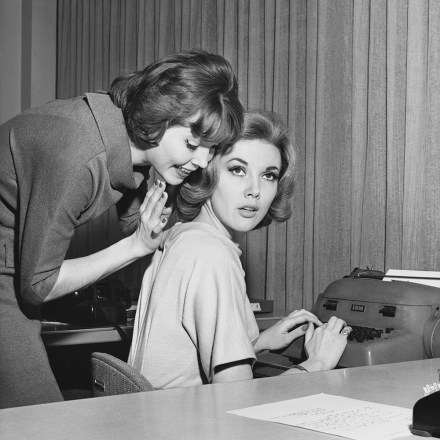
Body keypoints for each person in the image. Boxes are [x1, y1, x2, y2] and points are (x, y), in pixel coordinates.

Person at [0, 48, 244, 408]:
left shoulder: (127, 138)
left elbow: (137, 224)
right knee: (39, 420)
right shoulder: (79, 154)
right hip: (18, 277)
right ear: (156, 117)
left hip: (15, 264)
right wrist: (134, 248)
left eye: (212, 149)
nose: (202, 161)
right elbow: (39, 285)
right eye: (193, 144)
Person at [128, 110, 348, 389]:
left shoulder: (182, 236)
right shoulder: (211, 254)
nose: (254, 190)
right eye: (237, 170)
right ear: (206, 172)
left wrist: (257, 343)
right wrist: (317, 363)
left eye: (269, 175)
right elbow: (237, 400)